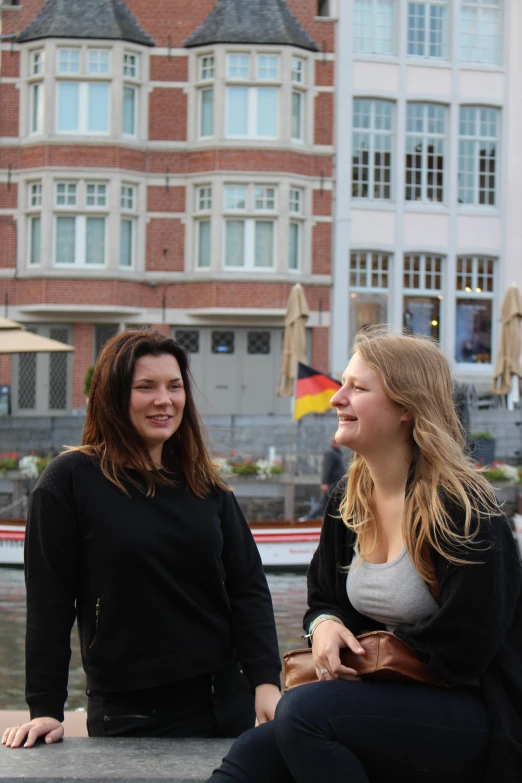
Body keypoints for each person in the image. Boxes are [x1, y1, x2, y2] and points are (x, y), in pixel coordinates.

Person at [207, 327, 522, 783]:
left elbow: (468, 645)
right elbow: (322, 599)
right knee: (255, 749)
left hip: (475, 711)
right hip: (381, 697)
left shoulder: (465, 508)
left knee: (303, 712)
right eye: (342, 384)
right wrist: (325, 625)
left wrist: (362, 660)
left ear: (407, 410)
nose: (337, 398)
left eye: (358, 388)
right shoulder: (348, 498)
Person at [2, 328, 281, 749]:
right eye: (144, 387)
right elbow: (49, 604)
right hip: (131, 709)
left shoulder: (204, 483)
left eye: (174, 386)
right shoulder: (70, 481)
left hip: (225, 699)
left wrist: (265, 680)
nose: (164, 400)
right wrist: (45, 708)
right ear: (113, 396)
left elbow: (248, 588)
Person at [299, 439, 345, 521]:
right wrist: (325, 483)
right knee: (324, 502)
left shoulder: (337, 453)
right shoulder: (330, 453)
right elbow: (326, 469)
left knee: (330, 502)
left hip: (336, 483)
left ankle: (314, 517)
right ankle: (310, 517)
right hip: (331, 483)